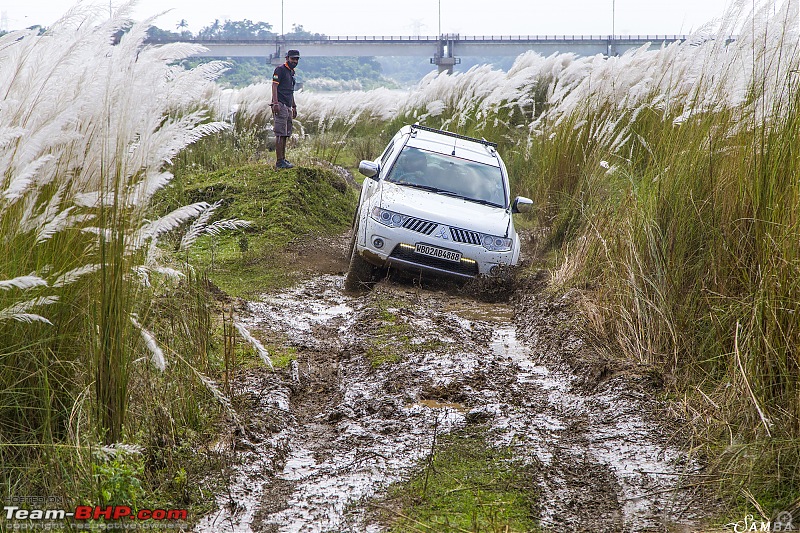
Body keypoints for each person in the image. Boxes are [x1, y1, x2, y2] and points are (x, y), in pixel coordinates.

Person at [271, 49, 300, 169]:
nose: (295, 61)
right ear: (287, 58)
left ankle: (283, 159)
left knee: (286, 134)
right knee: (280, 134)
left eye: (297, 59)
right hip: (280, 105)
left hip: (288, 106)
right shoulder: (280, 70)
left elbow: (290, 91)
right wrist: (275, 103)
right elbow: (274, 86)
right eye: (293, 58)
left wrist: (294, 106)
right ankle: (279, 162)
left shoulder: (291, 72)